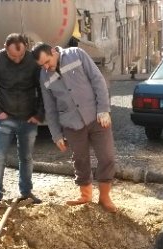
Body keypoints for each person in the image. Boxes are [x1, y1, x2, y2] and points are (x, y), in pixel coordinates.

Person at [31, 43, 117, 213]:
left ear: (54, 51)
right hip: (71, 123)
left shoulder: (76, 55)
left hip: (96, 117)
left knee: (107, 157)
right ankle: (85, 195)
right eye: (42, 65)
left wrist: (103, 109)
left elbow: (97, 80)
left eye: (47, 61)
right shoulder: (44, 75)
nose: (46, 67)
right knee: (80, 159)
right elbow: (50, 107)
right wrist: (56, 134)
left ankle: (105, 197)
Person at [0, 33, 44, 210]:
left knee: (26, 158)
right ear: (5, 48)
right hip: (4, 118)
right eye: (13, 56)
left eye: (21, 55)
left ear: (26, 48)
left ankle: (26, 193)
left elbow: (44, 88)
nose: (17, 59)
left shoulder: (33, 61)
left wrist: (38, 115)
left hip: (28, 118)